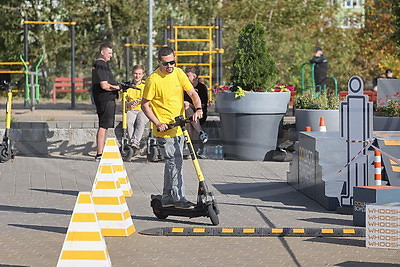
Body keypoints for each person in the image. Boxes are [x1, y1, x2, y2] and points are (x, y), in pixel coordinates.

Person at [141, 47, 203, 209]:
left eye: (172, 62)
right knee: (175, 162)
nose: (169, 66)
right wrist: (157, 122)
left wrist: (198, 109)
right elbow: (145, 105)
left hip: (179, 127)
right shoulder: (153, 79)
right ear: (159, 62)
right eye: (165, 63)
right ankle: (179, 198)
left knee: (174, 162)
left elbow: (192, 93)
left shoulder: (179, 73)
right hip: (164, 129)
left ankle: (167, 196)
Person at [91, 43, 121, 161]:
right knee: (103, 126)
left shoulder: (99, 65)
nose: (111, 56)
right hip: (105, 99)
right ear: (102, 52)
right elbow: (104, 85)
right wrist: (118, 87)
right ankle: (99, 154)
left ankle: (100, 153)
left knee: (104, 126)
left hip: (104, 99)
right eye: (109, 53)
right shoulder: (101, 65)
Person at [184, 66, 209, 148]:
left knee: (188, 112)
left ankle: (188, 146)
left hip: (199, 115)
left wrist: (189, 105)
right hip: (188, 115)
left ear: (194, 77)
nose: (185, 78)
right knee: (188, 116)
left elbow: (202, 105)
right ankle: (201, 132)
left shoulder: (202, 88)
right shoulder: (185, 87)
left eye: (187, 76)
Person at [126, 65, 149, 153]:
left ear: (143, 75)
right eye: (135, 74)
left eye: (139, 74)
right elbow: (124, 101)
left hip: (143, 109)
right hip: (131, 109)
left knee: (141, 120)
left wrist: (142, 100)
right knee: (129, 121)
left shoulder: (146, 86)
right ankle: (132, 142)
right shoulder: (128, 86)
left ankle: (135, 142)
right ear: (132, 74)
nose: (137, 76)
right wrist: (129, 103)